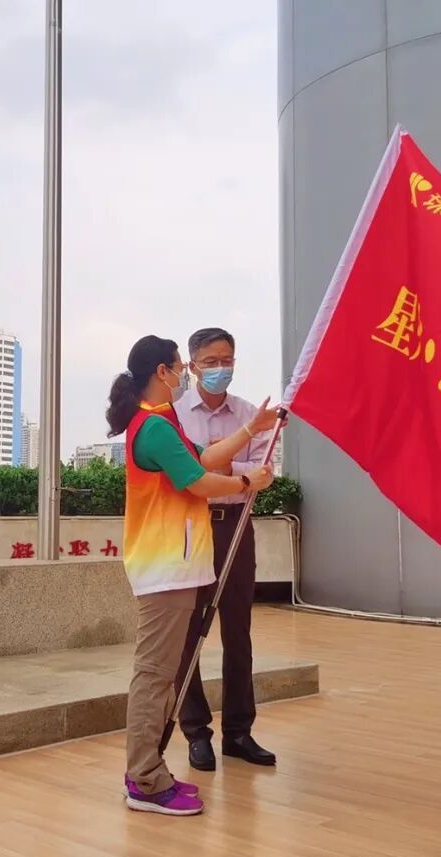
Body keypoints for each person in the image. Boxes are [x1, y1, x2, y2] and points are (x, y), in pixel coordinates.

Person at [106, 335, 278, 817]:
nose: (185, 372)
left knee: (160, 673)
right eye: (182, 365)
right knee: (155, 674)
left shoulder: (161, 421)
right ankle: (144, 780)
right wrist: (245, 481)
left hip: (175, 565)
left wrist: (251, 430)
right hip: (165, 566)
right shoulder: (155, 426)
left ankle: (150, 773)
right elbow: (198, 481)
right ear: (162, 372)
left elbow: (202, 457)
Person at [174, 328, 277, 772]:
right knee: (187, 632)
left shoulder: (251, 413)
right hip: (191, 526)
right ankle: (196, 732)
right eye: (211, 361)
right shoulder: (175, 416)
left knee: (239, 631)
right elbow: (187, 470)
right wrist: (234, 467)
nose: (221, 368)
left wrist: (220, 460)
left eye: (227, 360)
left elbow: (266, 471)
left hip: (236, 525)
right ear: (193, 365)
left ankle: (239, 732)